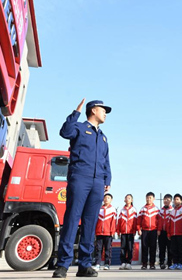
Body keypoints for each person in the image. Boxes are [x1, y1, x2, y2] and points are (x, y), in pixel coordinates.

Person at [53, 99, 112, 279]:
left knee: (90, 223)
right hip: (80, 178)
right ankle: (63, 265)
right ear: (93, 110)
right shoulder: (78, 128)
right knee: (72, 220)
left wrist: (107, 179)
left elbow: (106, 160)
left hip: (97, 183)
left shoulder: (103, 137)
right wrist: (75, 112)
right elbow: (65, 132)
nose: (105, 114)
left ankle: (84, 265)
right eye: (103, 110)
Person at [93, 193, 117, 271]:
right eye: (105, 198)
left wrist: (112, 231)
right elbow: (96, 221)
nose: (106, 199)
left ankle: (107, 264)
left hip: (108, 233)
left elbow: (113, 221)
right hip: (99, 232)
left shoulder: (112, 209)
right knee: (98, 249)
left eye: (108, 198)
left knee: (107, 249)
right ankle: (97, 264)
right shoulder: (99, 209)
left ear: (111, 200)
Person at [137, 192, 159, 269]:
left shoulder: (156, 209)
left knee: (153, 247)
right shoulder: (142, 209)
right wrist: (139, 229)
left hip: (153, 230)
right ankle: (144, 264)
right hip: (145, 231)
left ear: (153, 199)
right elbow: (139, 220)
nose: (148, 199)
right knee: (144, 247)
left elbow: (159, 220)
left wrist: (158, 229)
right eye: (147, 197)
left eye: (150, 198)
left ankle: (152, 264)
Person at [167, 194, 182, 270]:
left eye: (177, 199)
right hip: (173, 234)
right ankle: (175, 263)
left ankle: (180, 263)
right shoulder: (172, 212)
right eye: (175, 199)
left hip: (180, 234)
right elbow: (169, 223)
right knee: (173, 249)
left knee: (180, 249)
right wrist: (169, 233)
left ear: (181, 201)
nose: (176, 201)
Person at [117, 194, 137, 270]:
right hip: (123, 232)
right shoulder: (122, 210)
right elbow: (119, 221)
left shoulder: (134, 210)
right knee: (123, 247)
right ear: (124, 200)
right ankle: (123, 262)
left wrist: (135, 230)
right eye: (126, 198)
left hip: (130, 232)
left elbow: (135, 221)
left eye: (129, 198)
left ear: (131, 200)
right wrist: (118, 230)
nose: (127, 199)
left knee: (130, 248)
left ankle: (128, 262)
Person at [157, 194, 173, 269]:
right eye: (165, 199)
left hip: (169, 232)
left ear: (171, 201)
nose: (166, 201)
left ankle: (170, 263)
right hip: (162, 232)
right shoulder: (160, 210)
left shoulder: (173, 210)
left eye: (168, 199)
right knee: (162, 248)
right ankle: (162, 263)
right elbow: (158, 221)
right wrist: (159, 230)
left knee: (170, 248)